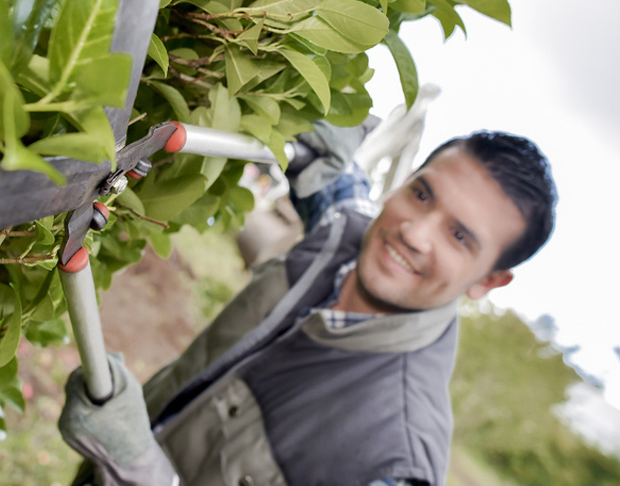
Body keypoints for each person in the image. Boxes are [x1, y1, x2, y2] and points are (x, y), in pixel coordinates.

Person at [58, 122, 558, 486]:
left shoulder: (395, 460)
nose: (413, 232)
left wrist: (137, 467)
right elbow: (334, 176)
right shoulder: (345, 231)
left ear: (489, 279)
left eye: (459, 236)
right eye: (422, 194)